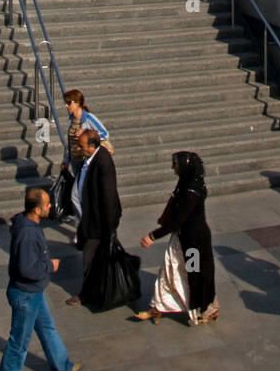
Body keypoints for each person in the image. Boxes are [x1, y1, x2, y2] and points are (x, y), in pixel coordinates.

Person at [0, 187, 81, 371]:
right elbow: (27, 268)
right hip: (25, 294)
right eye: (47, 204)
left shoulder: (27, 224)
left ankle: (62, 367)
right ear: (37, 209)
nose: (50, 206)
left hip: (33, 292)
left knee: (47, 327)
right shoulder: (28, 233)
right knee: (19, 343)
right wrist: (51, 266)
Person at [136, 151, 219, 325]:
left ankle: (202, 308)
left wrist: (152, 236)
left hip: (194, 243)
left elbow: (177, 221)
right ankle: (157, 306)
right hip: (183, 239)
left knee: (194, 274)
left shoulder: (192, 192)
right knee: (169, 270)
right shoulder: (187, 183)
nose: (173, 168)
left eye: (176, 164)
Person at [68, 129, 122, 307]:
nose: (79, 149)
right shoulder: (91, 158)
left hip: (98, 222)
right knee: (94, 256)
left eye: (82, 146)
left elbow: (108, 196)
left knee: (90, 257)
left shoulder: (103, 161)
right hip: (90, 218)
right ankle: (96, 291)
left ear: (92, 146)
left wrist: (109, 226)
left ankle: (87, 294)